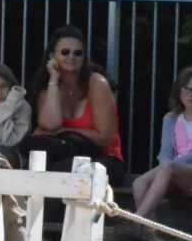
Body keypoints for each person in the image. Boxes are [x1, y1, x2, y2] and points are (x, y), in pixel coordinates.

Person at [26, 25, 125, 180]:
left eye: (78, 53)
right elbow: (51, 125)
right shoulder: (47, 89)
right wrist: (53, 80)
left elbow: (104, 137)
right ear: (52, 56)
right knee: (43, 165)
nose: (71, 57)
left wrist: (64, 131)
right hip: (66, 156)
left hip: (105, 159)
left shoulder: (97, 83)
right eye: (65, 52)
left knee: (64, 169)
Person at [132, 66, 192, 219]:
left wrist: (171, 167)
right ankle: (148, 234)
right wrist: (167, 168)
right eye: (185, 89)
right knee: (139, 183)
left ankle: (137, 219)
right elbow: (165, 153)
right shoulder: (170, 118)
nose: (190, 94)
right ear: (178, 92)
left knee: (168, 167)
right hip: (170, 170)